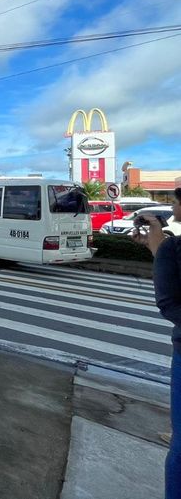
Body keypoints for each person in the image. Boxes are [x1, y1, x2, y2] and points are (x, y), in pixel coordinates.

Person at [133, 187, 181, 498]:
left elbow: (169, 303)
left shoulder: (172, 248)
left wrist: (159, 248)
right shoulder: (170, 248)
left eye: (176, 201)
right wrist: (157, 246)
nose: (173, 206)